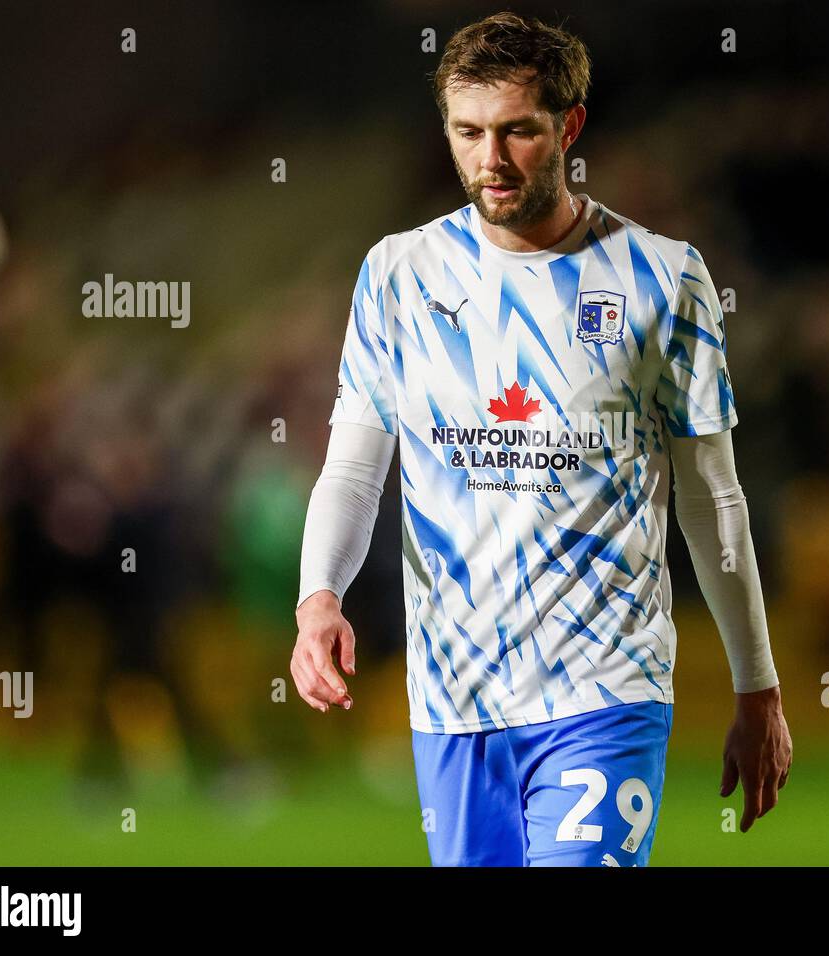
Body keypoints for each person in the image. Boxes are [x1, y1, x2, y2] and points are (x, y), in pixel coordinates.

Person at [292, 11, 791, 866]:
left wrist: (758, 685)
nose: (490, 158)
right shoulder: (398, 276)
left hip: (605, 690)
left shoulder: (663, 279)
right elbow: (353, 470)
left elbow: (713, 498)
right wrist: (318, 600)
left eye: (517, 130)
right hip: (453, 700)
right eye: (467, 132)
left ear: (570, 126)